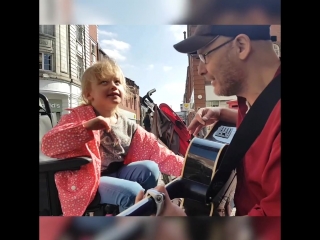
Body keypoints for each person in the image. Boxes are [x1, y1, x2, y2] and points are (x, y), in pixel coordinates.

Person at [136, 25, 281, 217]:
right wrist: (221, 112)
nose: (201, 69)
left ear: (241, 46)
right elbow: (265, 118)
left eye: (205, 56)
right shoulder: (257, 102)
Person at [41, 58, 184, 216]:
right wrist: (86, 128)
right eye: (104, 82)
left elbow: (159, 153)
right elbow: (49, 145)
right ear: (89, 94)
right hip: (87, 179)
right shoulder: (79, 116)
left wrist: (191, 168)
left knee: (150, 169)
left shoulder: (127, 125)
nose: (113, 86)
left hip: (117, 173)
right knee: (132, 192)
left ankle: (131, 212)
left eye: (117, 82)